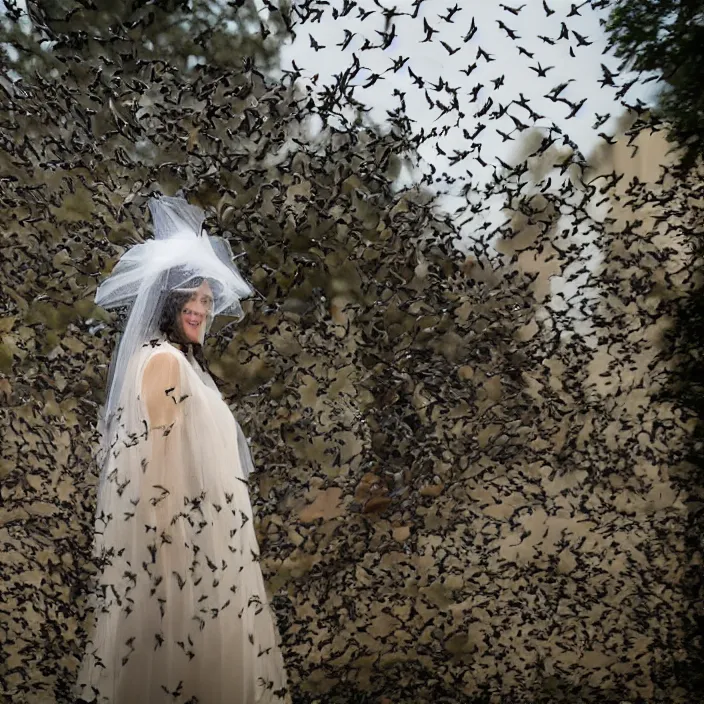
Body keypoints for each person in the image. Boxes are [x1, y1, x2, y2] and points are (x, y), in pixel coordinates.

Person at [74, 195, 290, 704]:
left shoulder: (179, 364)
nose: (200, 307)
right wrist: (171, 566)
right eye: (189, 298)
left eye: (207, 299)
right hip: (185, 552)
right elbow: (157, 467)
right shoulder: (164, 363)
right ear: (169, 303)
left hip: (211, 544)